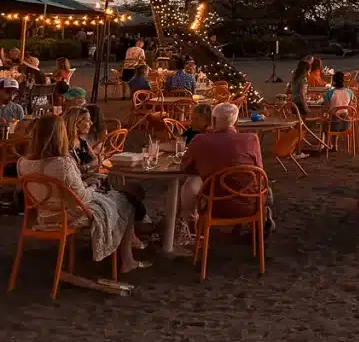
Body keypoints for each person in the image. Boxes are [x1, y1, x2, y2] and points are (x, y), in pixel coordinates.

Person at [17, 114, 149, 272]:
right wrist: (93, 185)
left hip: (44, 214)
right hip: (69, 215)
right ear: (60, 135)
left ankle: (130, 243)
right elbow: (83, 197)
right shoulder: (62, 164)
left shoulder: (23, 163)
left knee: (119, 198)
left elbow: (63, 189)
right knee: (125, 201)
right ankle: (128, 260)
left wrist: (88, 183)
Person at [180, 102, 273, 231]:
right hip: (250, 204)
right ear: (235, 122)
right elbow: (259, 172)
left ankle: (191, 227)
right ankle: (261, 220)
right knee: (266, 190)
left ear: (213, 120)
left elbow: (185, 169)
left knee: (191, 184)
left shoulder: (199, 140)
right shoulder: (252, 139)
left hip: (215, 206)